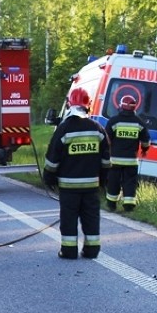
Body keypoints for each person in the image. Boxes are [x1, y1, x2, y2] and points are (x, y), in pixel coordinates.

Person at [44, 88, 111, 259]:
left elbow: (52, 158)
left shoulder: (63, 129)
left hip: (68, 187)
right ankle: (92, 250)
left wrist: (49, 177)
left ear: (69, 104)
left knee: (69, 219)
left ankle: (69, 251)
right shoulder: (97, 129)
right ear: (88, 105)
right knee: (91, 218)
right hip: (91, 186)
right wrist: (103, 181)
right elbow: (105, 161)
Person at [105, 94, 150, 212]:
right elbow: (146, 141)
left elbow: (106, 140)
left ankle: (111, 204)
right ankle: (129, 206)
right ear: (135, 108)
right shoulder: (139, 122)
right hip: (131, 160)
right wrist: (145, 150)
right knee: (130, 182)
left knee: (113, 181)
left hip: (114, 160)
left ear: (120, 106)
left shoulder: (114, 121)